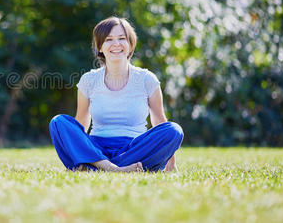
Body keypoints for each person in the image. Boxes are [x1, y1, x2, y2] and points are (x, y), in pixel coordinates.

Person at [49, 16, 184, 172]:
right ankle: (109, 167)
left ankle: (95, 166)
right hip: (97, 148)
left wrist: (171, 162)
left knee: (174, 130)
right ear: (99, 46)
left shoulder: (147, 79)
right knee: (59, 122)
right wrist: (80, 146)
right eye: (108, 39)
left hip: (134, 149)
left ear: (131, 44)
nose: (116, 44)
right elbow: (81, 125)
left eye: (122, 38)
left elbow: (159, 122)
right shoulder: (89, 80)